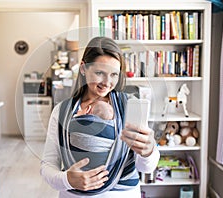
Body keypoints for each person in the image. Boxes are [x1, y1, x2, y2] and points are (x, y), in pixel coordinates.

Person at [41, 36, 160, 198]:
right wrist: (67, 180)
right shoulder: (61, 112)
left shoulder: (131, 107)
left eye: (114, 75)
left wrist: (149, 151)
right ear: (83, 68)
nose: (107, 82)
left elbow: (145, 168)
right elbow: (47, 166)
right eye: (99, 73)